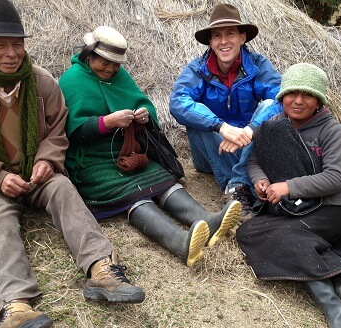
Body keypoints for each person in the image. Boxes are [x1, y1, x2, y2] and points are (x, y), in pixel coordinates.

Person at [0, 0, 145, 328]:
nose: (12, 53)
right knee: (0, 221)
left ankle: (103, 269)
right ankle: (12, 304)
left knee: (64, 189)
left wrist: (47, 160)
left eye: (17, 44)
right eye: (1, 45)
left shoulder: (41, 81)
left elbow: (56, 130)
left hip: (36, 173)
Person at [58, 26, 242, 268]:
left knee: (163, 181)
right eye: (105, 62)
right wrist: (107, 122)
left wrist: (145, 115)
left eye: (115, 64)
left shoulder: (119, 76)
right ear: (89, 55)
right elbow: (72, 131)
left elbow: (142, 103)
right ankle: (180, 242)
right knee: (136, 196)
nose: (111, 69)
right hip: (92, 161)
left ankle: (208, 220)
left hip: (129, 152)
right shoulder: (72, 80)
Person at [236, 63, 341, 328]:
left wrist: (287, 186)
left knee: (284, 236)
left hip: (331, 208)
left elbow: (335, 179)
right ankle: (334, 266)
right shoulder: (273, 126)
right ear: (282, 96)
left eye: (307, 95)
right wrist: (261, 181)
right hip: (294, 209)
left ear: (318, 100)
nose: (298, 101)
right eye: (292, 93)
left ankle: (337, 311)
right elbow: (254, 161)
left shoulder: (330, 130)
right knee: (247, 232)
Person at [170, 3, 282, 221]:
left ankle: (236, 185)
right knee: (197, 113)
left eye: (230, 33)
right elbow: (177, 102)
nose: (223, 42)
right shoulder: (197, 69)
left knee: (269, 107)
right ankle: (242, 183)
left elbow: (281, 96)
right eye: (217, 36)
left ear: (243, 38)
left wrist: (249, 130)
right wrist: (221, 127)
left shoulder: (257, 65)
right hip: (210, 153)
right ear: (210, 42)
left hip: (247, 147)